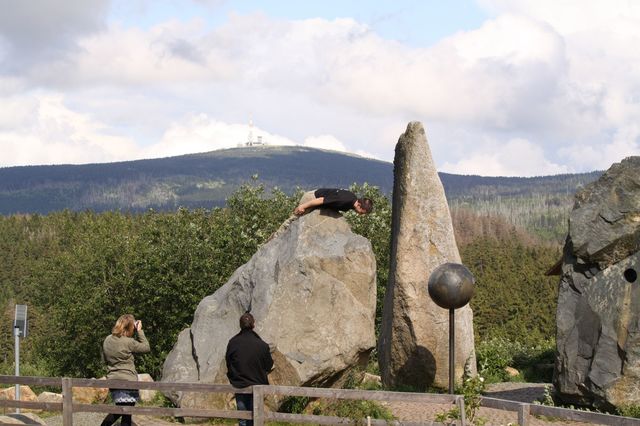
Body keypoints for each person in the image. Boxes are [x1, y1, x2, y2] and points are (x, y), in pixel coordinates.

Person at [101, 314, 150, 426]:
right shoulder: (129, 342)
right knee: (125, 413)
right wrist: (140, 331)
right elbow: (146, 347)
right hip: (128, 381)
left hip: (113, 380)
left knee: (121, 411)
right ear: (129, 327)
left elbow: (104, 359)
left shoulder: (108, 339)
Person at [225, 312, 274, 426]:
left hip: (239, 384)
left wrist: (233, 376)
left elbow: (228, 363)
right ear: (253, 325)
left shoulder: (233, 343)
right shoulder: (262, 345)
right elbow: (269, 365)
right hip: (257, 386)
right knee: (255, 419)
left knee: (242, 420)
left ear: (240, 325)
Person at [293, 188, 373, 216]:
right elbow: (321, 200)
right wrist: (303, 206)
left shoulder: (351, 202)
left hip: (319, 202)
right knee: (296, 218)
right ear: (359, 205)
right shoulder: (344, 200)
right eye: (362, 212)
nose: (361, 214)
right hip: (312, 198)